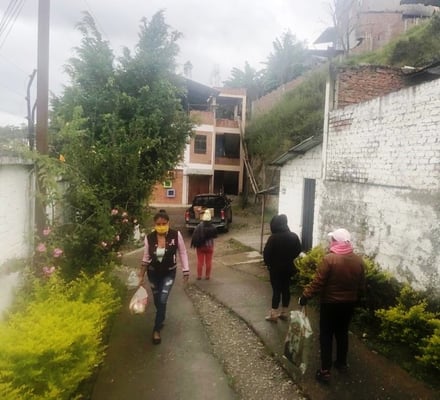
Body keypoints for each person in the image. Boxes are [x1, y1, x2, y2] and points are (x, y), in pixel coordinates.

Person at [299, 228, 366, 383]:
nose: (331, 242)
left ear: (336, 241)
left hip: (330, 304)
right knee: (342, 333)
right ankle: (341, 363)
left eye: (333, 239)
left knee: (326, 335)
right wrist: (357, 299)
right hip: (348, 304)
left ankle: (325, 371)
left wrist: (305, 296)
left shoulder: (329, 259)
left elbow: (318, 282)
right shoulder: (358, 260)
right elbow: (362, 284)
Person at [138, 209, 189, 345]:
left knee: (162, 299)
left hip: (169, 273)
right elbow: (146, 257)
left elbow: (183, 252)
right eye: (158, 224)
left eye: (164, 223)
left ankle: (156, 329)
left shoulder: (175, 235)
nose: (161, 226)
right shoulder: (149, 238)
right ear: (154, 224)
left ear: (168, 223)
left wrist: (186, 270)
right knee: (157, 300)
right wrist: (141, 275)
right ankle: (161, 316)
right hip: (153, 273)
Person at [263, 214, 302, 322]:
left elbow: (266, 254)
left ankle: (273, 314)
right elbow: (298, 250)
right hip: (289, 268)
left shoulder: (273, 238)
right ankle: (284, 312)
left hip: (275, 269)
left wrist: (269, 264)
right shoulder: (294, 236)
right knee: (286, 289)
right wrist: (290, 259)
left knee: (276, 290)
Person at [190, 210, 218, 280]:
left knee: (200, 261)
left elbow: (194, 236)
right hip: (209, 246)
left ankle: (199, 276)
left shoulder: (199, 226)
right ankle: (207, 276)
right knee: (209, 262)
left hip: (200, 246)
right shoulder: (213, 227)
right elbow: (215, 236)